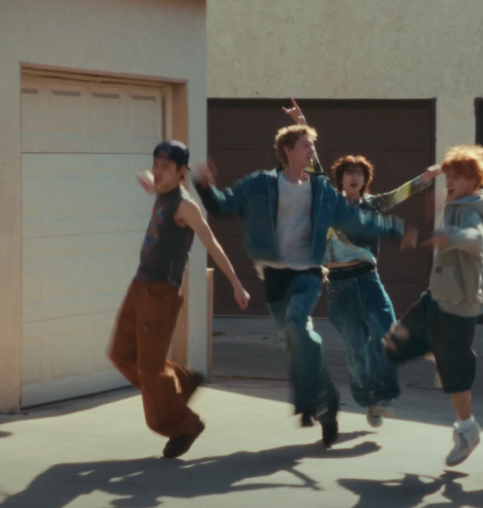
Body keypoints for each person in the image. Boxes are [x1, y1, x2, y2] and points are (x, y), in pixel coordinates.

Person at [193, 116, 418, 447]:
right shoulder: (259, 184)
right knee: (293, 344)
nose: (312, 150)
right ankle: (327, 402)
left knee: (297, 326)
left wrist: (394, 230)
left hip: (308, 273)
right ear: (288, 150)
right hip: (274, 274)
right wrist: (203, 185)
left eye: (312, 145)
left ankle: (308, 401)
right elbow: (223, 206)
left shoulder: (321, 189)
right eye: (306, 145)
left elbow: (356, 218)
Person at [281, 100, 442, 428]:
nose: (354, 177)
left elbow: (400, 194)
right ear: (340, 178)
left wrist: (426, 178)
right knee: (357, 349)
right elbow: (315, 169)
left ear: (365, 180)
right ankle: (367, 398)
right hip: (339, 287)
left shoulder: (373, 205)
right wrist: (302, 122)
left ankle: (382, 397)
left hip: (369, 281)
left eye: (360, 173)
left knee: (386, 334)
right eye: (349, 172)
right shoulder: (328, 201)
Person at [109, 140, 250, 459]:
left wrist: (236, 284)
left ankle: (185, 425)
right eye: (156, 165)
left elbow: (212, 244)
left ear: (182, 171)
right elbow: (157, 180)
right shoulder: (163, 189)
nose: (158, 172)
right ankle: (182, 382)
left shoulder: (186, 206)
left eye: (166, 168)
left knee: (149, 370)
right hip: (139, 284)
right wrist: (152, 180)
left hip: (161, 293)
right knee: (120, 354)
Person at [382, 145, 483, 466]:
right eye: (449, 177)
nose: (449, 183)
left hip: (458, 305)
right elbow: (450, 175)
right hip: (438, 295)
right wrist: (438, 171)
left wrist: (452, 236)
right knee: (396, 339)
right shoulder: (464, 198)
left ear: (473, 181)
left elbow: (474, 238)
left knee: (454, 376)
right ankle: (432, 355)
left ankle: (468, 429)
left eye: (456, 178)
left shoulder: (472, 210)